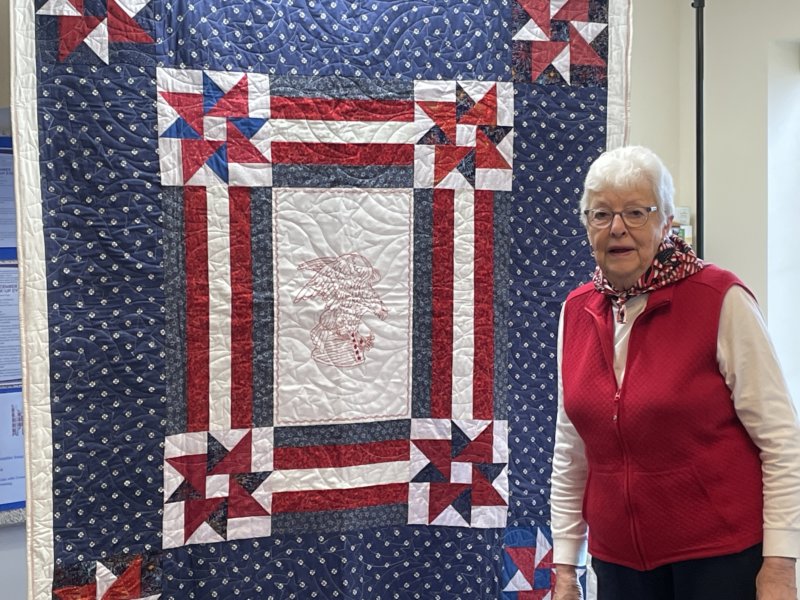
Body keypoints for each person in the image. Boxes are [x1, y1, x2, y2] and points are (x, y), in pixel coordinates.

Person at [550, 145, 800, 600]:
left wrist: (781, 564)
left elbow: (782, 442)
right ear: (587, 225)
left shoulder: (720, 299)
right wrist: (566, 566)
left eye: (636, 212)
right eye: (601, 214)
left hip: (719, 560)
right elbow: (572, 451)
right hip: (619, 565)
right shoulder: (575, 310)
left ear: (665, 222)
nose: (618, 228)